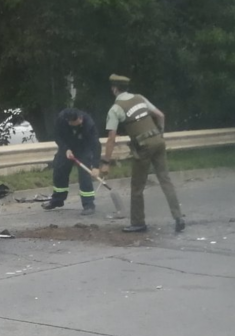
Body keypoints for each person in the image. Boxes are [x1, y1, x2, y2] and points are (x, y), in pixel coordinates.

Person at [102, 74, 184, 233]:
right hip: (158, 141)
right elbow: (160, 115)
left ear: (114, 89)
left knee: (137, 186)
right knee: (165, 180)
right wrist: (160, 133)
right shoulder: (140, 98)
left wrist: (106, 161)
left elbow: (111, 138)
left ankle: (138, 222)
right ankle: (178, 217)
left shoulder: (116, 109)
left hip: (143, 147)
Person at [42, 108, 102, 215]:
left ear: (80, 117)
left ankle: (88, 204)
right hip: (67, 147)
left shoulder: (88, 123)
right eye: (73, 123)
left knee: (84, 175)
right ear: (68, 121)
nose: (78, 123)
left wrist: (96, 166)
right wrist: (66, 149)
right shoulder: (61, 119)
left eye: (79, 121)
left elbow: (96, 144)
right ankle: (57, 200)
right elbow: (57, 136)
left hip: (84, 148)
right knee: (59, 170)